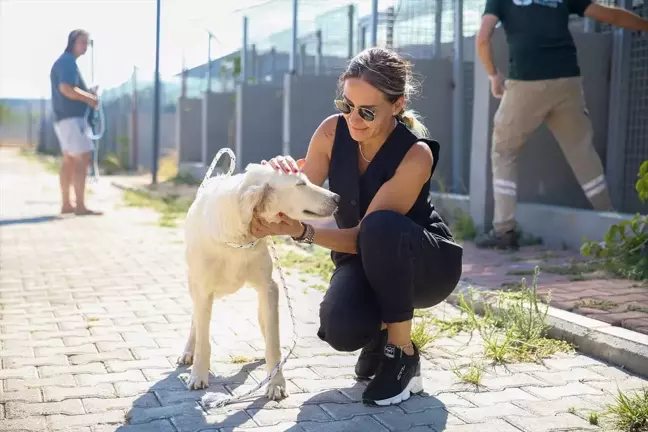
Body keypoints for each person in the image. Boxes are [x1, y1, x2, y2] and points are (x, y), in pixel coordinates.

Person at [249, 47, 464, 406]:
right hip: (364, 259)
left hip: (424, 265)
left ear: (398, 105)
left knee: (379, 226)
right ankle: (379, 335)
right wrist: (276, 177)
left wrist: (302, 234)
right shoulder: (331, 133)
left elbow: (364, 236)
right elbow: (301, 200)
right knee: (340, 327)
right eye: (346, 105)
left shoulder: (416, 154)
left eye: (367, 111)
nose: (354, 119)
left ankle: (403, 354)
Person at [475, 0, 648, 250]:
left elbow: (482, 39)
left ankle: (504, 230)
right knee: (582, 153)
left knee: (504, 151)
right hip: (567, 80)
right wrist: (644, 24)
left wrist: (493, 75)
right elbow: (609, 15)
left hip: (526, 81)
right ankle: (612, 223)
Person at [50, 29, 102, 216]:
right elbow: (66, 88)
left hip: (63, 119)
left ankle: (67, 204)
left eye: (87, 43)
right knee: (82, 158)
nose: (85, 47)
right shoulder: (68, 62)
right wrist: (89, 98)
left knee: (70, 160)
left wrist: (87, 92)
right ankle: (79, 206)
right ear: (72, 42)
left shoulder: (64, 62)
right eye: (82, 42)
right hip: (72, 119)